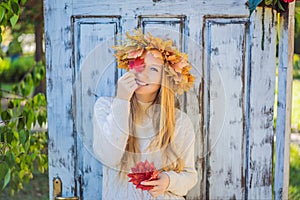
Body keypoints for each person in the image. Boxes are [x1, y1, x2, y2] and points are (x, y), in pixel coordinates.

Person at [93, 30, 198, 199]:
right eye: (140, 65)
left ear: (165, 78)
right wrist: (121, 100)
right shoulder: (105, 108)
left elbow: (190, 176)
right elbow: (110, 157)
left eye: (154, 69)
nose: (143, 74)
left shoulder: (179, 121)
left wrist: (169, 181)